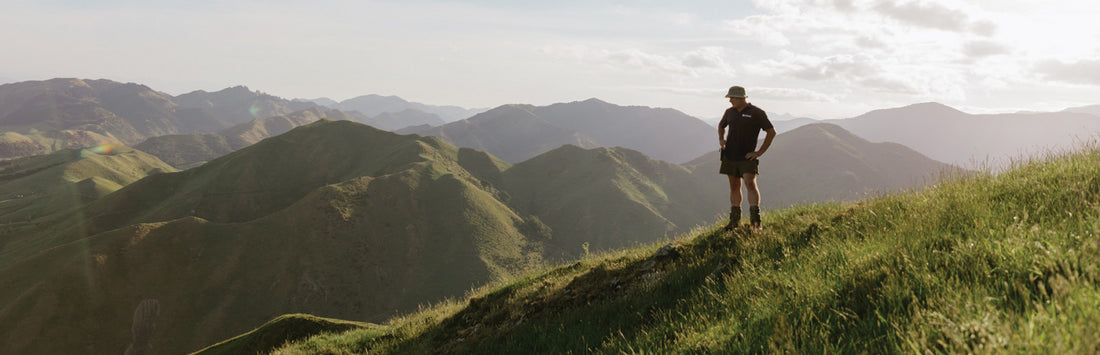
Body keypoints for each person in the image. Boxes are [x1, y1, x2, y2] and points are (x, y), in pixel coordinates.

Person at [718, 86, 776, 231]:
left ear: (740, 98)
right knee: (734, 186)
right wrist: (721, 139)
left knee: (750, 183)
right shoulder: (729, 112)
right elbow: (721, 125)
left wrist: (759, 152)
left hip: (747, 157)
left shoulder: (757, 113)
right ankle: (734, 222)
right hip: (730, 155)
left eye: (732, 98)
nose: (730, 100)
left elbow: (771, 131)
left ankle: (756, 223)